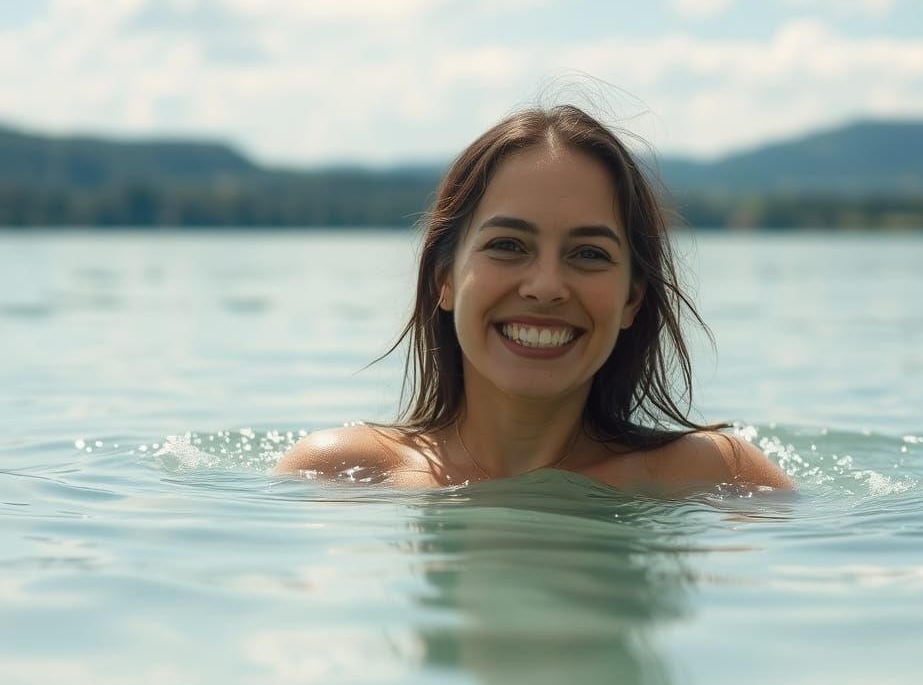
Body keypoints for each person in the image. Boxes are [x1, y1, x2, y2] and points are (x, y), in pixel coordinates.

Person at [276, 105, 791, 491]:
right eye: (508, 246)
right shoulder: (340, 477)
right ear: (445, 280)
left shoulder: (718, 477)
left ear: (633, 298)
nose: (545, 286)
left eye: (589, 253)